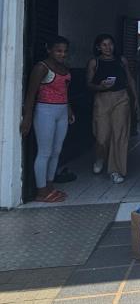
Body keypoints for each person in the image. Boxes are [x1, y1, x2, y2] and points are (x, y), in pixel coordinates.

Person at [20, 35, 75, 203]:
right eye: (58, 51)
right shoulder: (41, 68)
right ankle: (41, 191)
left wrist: (68, 109)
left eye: (65, 51)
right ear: (49, 50)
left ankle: (50, 185)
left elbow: (65, 91)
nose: (62, 54)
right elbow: (31, 94)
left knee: (56, 150)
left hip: (61, 111)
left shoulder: (64, 68)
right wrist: (27, 117)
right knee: (45, 151)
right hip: (45, 111)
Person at [87, 34, 138, 184]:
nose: (108, 47)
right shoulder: (94, 62)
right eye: (104, 45)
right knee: (102, 136)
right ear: (98, 47)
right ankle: (100, 157)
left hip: (121, 98)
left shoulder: (122, 60)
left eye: (110, 44)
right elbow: (88, 84)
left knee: (119, 135)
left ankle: (116, 170)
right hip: (102, 99)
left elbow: (130, 78)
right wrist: (100, 86)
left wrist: (136, 97)